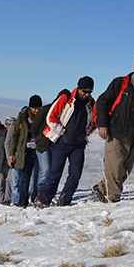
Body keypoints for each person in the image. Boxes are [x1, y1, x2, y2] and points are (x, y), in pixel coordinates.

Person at [93, 55, 134, 203]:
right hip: (116, 129)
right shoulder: (121, 83)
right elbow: (102, 101)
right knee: (115, 166)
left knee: (126, 168)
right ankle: (114, 199)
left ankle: (102, 188)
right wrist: (102, 124)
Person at [38, 76, 97, 207]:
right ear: (79, 88)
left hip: (79, 145)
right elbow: (51, 117)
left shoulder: (91, 103)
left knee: (75, 175)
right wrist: (61, 132)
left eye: (89, 92)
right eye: (85, 91)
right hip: (62, 143)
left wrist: (85, 133)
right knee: (55, 173)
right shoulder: (66, 98)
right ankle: (45, 201)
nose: (87, 94)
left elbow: (94, 121)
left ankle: (64, 201)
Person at [9, 96, 47, 207]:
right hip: (25, 152)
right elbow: (15, 135)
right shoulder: (22, 117)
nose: (36, 111)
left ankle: (34, 199)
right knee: (25, 177)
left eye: (38, 108)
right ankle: (22, 201)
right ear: (30, 107)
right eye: (34, 108)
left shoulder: (43, 116)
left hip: (39, 150)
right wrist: (12, 153)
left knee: (36, 177)